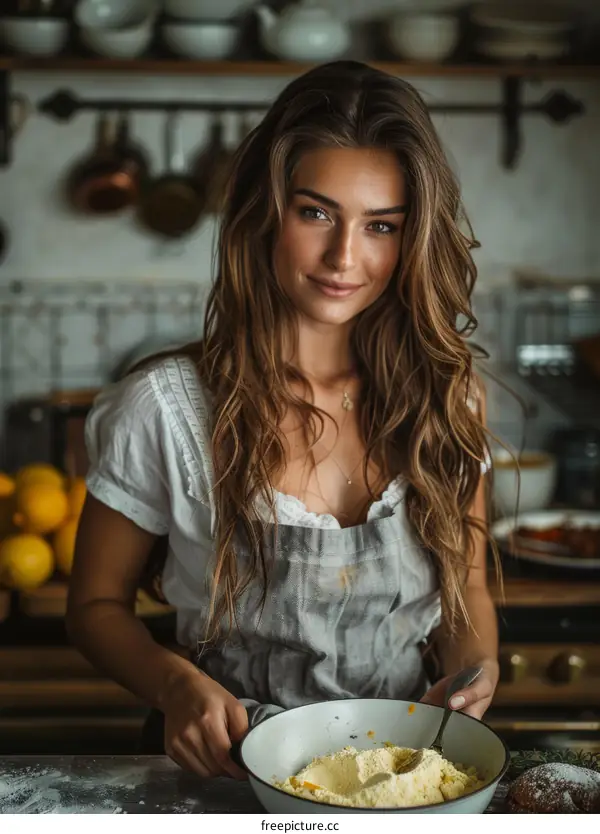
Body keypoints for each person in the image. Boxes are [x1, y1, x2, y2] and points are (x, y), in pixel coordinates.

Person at [67, 60, 499, 782]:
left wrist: (474, 671)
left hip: (400, 777)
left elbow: (468, 591)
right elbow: (94, 606)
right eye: (316, 212)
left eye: (381, 226)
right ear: (264, 212)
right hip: (221, 776)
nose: (344, 257)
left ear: (412, 237)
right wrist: (174, 684)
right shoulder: (165, 408)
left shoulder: (447, 399)